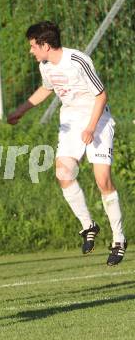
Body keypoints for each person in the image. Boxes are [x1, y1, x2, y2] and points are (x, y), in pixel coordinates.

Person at [7, 21, 127, 266]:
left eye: (33, 46)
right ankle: (88, 225)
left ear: (46, 45)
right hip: (71, 121)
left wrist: (92, 127)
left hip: (98, 119)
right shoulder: (45, 66)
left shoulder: (78, 60)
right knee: (63, 172)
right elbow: (46, 89)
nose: (31, 51)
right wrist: (22, 110)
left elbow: (101, 95)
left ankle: (118, 239)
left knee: (102, 179)